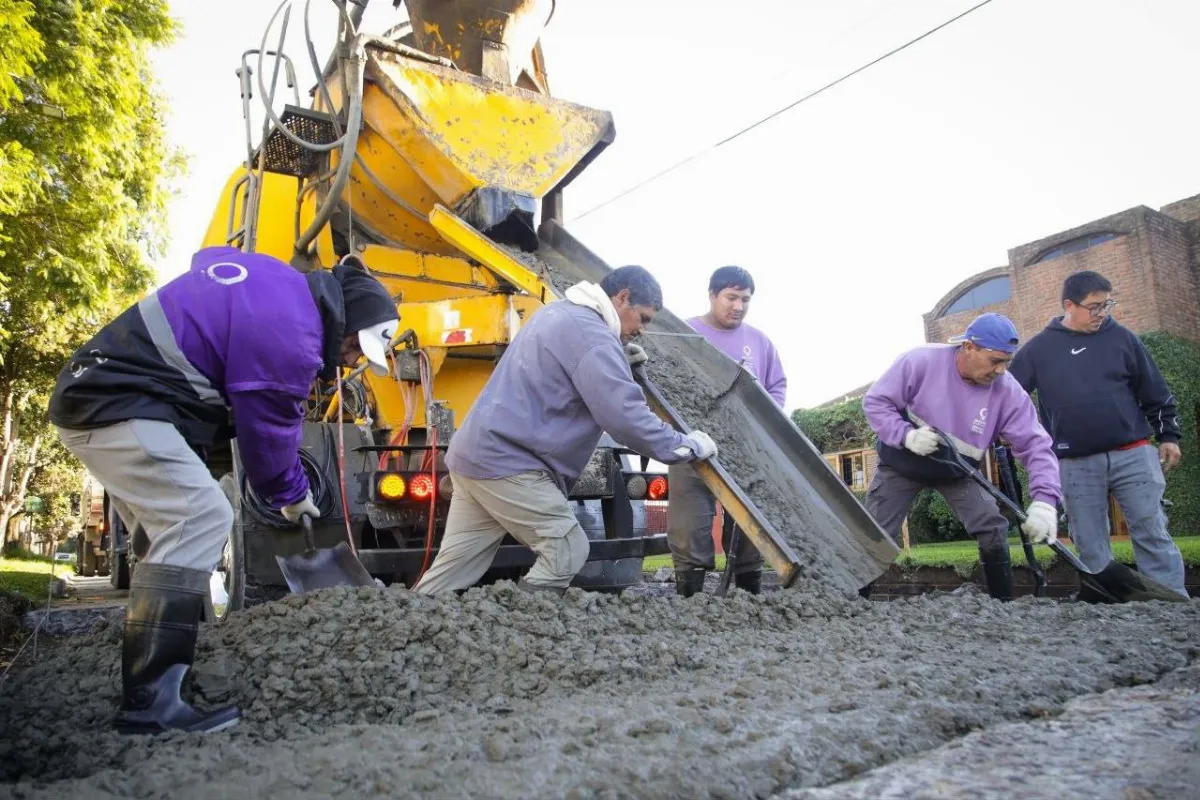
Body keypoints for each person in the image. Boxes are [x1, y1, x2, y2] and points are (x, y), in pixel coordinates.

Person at [49, 246, 400, 734]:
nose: (352, 361)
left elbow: (206, 259)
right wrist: (292, 495)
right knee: (201, 517)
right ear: (346, 323)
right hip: (116, 401)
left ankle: (172, 666)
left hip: (103, 392)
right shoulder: (292, 335)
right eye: (356, 349)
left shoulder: (276, 281)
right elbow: (267, 445)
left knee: (164, 535)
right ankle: (151, 703)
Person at [413, 266, 718, 597]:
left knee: (452, 569)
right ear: (622, 298)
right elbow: (626, 419)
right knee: (567, 548)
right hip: (508, 464)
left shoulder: (558, 313)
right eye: (643, 319)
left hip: (475, 457)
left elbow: (569, 375)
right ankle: (523, 623)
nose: (642, 330)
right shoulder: (593, 338)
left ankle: (408, 618)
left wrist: (616, 360)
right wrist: (686, 446)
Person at [1009, 271, 1188, 598]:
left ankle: (1170, 600)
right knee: (1089, 539)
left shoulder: (1123, 339)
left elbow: (1155, 390)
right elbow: (1008, 397)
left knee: (1151, 529)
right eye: (1094, 306)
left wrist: (1169, 436)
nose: (1102, 313)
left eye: (1106, 304)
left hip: (1133, 453)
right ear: (1069, 305)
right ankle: (1106, 602)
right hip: (1074, 461)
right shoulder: (1038, 350)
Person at [861, 313, 1061, 600]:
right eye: (995, 360)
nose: (1001, 370)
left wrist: (1045, 501)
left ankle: (1002, 603)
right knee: (873, 532)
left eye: (1006, 361)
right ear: (969, 347)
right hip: (902, 463)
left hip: (958, 471)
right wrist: (906, 435)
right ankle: (854, 600)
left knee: (991, 525)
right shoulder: (920, 361)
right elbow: (876, 402)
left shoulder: (1008, 393)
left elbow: (1036, 445)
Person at [668, 266, 787, 597]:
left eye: (745, 299)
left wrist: (763, 422)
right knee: (689, 523)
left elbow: (776, 387)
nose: (738, 306)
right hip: (692, 445)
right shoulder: (684, 334)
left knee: (750, 526)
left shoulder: (759, 342)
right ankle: (689, 599)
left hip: (745, 449)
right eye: (731, 297)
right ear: (712, 295)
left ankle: (748, 597)